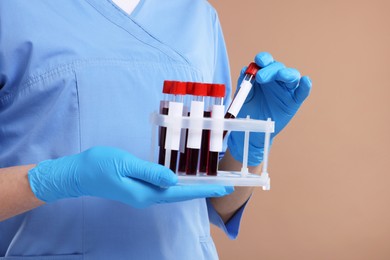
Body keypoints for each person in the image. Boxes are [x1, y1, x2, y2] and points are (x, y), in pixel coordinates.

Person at [0, 0, 312, 259]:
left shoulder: (198, 16)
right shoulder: (12, 11)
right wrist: (57, 179)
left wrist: (247, 149)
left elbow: (215, 204)